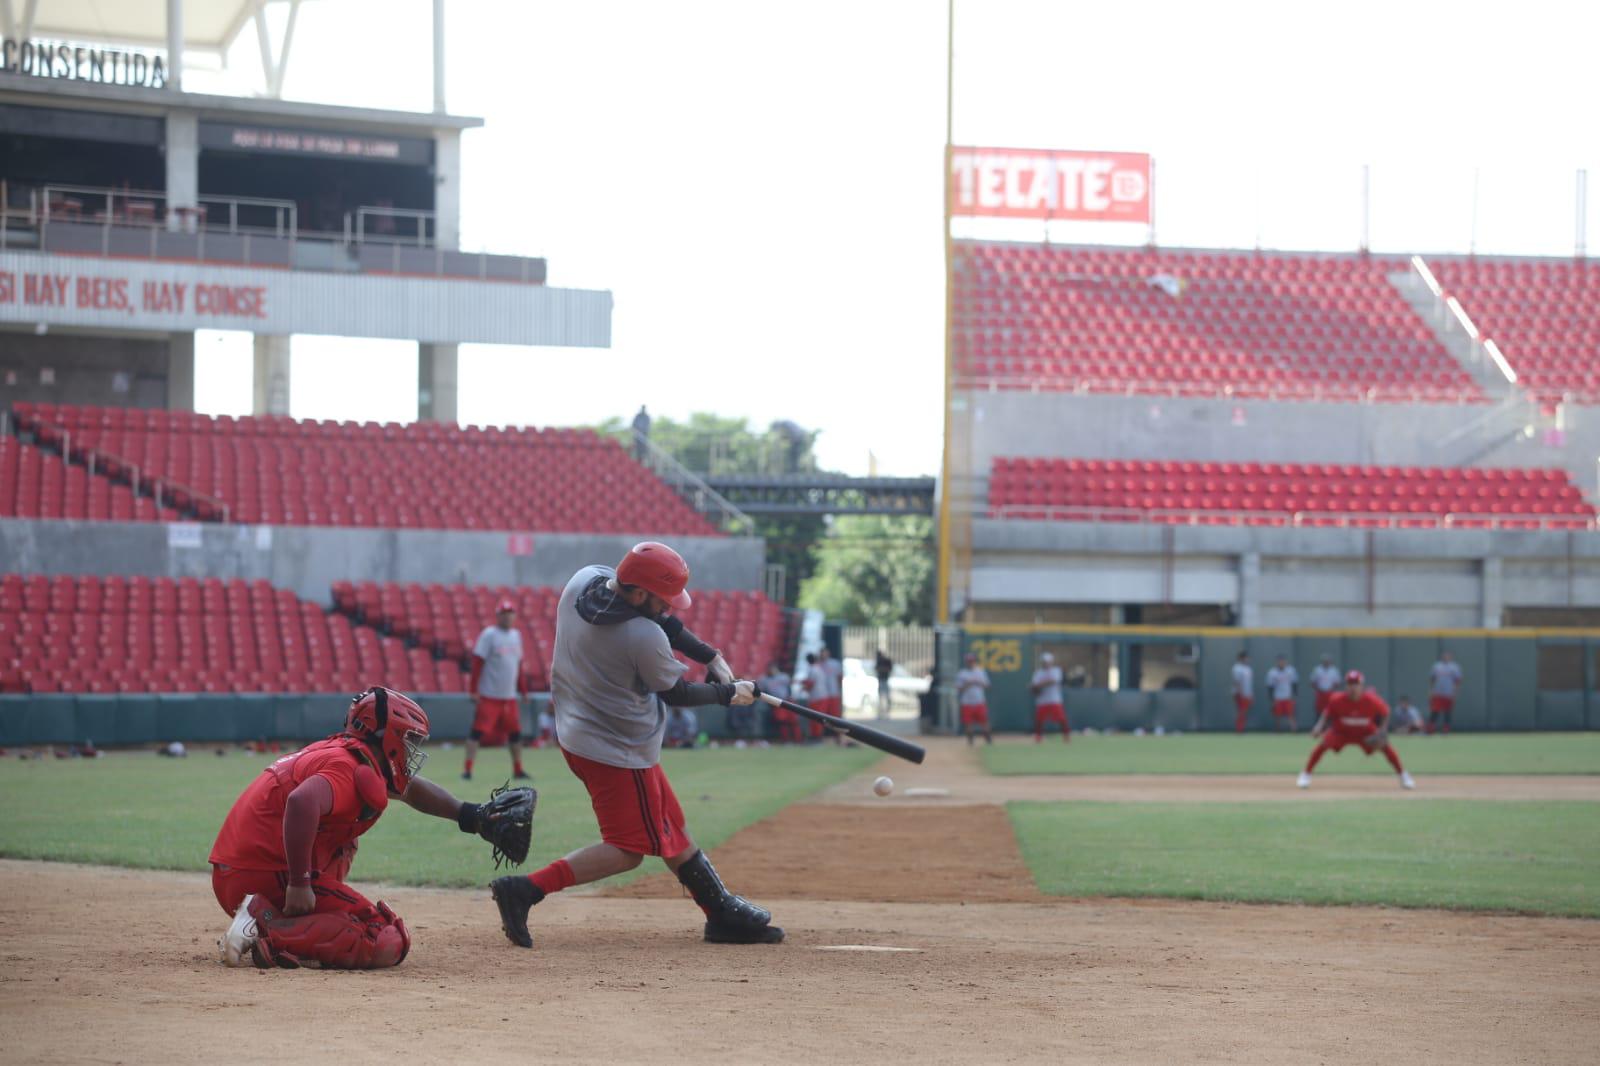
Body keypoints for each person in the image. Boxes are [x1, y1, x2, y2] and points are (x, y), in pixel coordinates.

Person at [489, 541, 782, 948]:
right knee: (628, 848)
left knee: (669, 823)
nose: (670, 610)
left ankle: (719, 910)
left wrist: (708, 654)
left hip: (580, 733)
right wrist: (730, 693)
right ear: (641, 594)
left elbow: (660, 621)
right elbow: (677, 695)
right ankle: (525, 889)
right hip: (618, 750)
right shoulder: (640, 635)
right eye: (664, 601)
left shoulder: (583, 582)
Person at [212, 686, 500, 969]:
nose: (409, 748)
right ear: (386, 736)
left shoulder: (348, 753)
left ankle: (282, 924)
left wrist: (469, 815)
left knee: (345, 844)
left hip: (239, 870)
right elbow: (301, 802)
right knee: (385, 938)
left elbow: (409, 789)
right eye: (407, 738)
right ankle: (268, 926)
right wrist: (299, 883)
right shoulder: (347, 766)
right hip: (262, 873)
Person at [1297, 670, 1415, 790]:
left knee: (1385, 746)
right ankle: (1306, 774)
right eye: (1350, 683)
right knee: (1323, 745)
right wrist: (1319, 726)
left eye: (1356, 684)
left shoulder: (1371, 700)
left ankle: (1403, 775)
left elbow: (1386, 712)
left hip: (1365, 732)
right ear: (1346, 686)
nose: (1353, 687)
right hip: (1341, 732)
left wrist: (1382, 730)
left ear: (1361, 686)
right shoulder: (1336, 700)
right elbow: (1327, 713)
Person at [463, 598, 528, 782]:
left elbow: (518, 666)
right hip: (490, 696)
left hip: (509, 697)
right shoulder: (489, 635)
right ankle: (467, 770)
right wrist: (473, 690)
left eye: (510, 614)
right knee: (476, 733)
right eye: (504, 614)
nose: (507, 617)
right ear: (498, 616)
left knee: (515, 734)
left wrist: (523, 691)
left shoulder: (516, 635)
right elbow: (477, 663)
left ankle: (518, 769)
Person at [807, 645, 844, 743]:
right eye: (821, 653)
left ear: (828, 653)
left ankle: (838, 737)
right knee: (821, 718)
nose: (823, 654)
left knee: (835, 718)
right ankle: (820, 738)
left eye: (825, 652)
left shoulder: (834, 664)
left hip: (833, 693)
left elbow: (839, 678)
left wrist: (839, 691)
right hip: (823, 694)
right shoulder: (818, 665)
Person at [955, 652, 992, 746]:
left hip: (979, 701)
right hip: (967, 702)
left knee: (984, 723)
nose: (970, 662)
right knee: (968, 724)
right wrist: (968, 683)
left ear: (974, 661)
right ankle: (970, 743)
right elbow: (959, 688)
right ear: (966, 662)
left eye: (972, 661)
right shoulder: (962, 673)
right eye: (968, 661)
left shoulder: (980, 672)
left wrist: (978, 682)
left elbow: (987, 685)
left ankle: (989, 741)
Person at [1030, 651, 1067, 743]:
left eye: (1048, 661)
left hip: (1054, 699)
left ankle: (1066, 737)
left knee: (1061, 719)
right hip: (1042, 700)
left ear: (1051, 661)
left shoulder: (1056, 670)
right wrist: (1035, 688)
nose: (1046, 663)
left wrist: (1039, 684)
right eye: (1044, 661)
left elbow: (1053, 681)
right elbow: (1034, 687)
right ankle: (1038, 737)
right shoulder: (1038, 673)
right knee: (1039, 720)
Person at [1427, 650, 1464, 735]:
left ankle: (1446, 729)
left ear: (1451, 657)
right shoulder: (1437, 666)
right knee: (1435, 711)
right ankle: (1430, 729)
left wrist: (1455, 691)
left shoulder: (1454, 667)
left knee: (1447, 712)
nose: (1446, 657)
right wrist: (1430, 690)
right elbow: (1432, 679)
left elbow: (1458, 680)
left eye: (1448, 656)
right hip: (1437, 692)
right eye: (1444, 656)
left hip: (1448, 693)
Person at [757, 661, 794, 741]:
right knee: (782, 722)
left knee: (793, 721)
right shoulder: (765, 679)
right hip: (776, 702)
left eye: (773, 669)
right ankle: (785, 740)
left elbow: (789, 689)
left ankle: (797, 740)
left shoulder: (784, 676)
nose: (771, 670)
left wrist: (790, 698)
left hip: (787, 700)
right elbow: (761, 690)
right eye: (770, 669)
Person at [1265, 654, 1299, 732]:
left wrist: (1294, 695)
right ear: (1277, 662)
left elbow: (1294, 683)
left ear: (1286, 662)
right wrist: (1271, 699)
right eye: (1280, 661)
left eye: (1283, 661)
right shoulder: (1272, 672)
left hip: (1288, 696)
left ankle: (1294, 730)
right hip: (1278, 697)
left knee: (1291, 714)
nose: (1281, 663)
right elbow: (1270, 687)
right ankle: (1278, 730)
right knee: (1277, 715)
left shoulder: (1291, 671)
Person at [1310, 654, 1341, 718]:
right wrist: (1318, 689)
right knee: (1319, 710)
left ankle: (1330, 725)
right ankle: (1319, 725)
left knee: (1330, 708)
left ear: (1330, 662)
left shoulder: (1334, 670)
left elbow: (1337, 682)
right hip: (1320, 692)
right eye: (1325, 661)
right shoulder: (1317, 670)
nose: (1326, 662)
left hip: (1330, 693)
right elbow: (1313, 682)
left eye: (1328, 661)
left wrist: (1331, 689)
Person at [1231, 651, 1253, 733]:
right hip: (1240, 694)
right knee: (1241, 711)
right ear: (1241, 658)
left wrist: (1250, 694)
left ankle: (1242, 728)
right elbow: (1237, 682)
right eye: (1245, 658)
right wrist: (1240, 693)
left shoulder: (1248, 668)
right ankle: (1239, 729)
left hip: (1247, 694)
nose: (1247, 659)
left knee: (1244, 711)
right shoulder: (1237, 668)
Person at [874, 649, 894, 715]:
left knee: (886, 696)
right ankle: (881, 710)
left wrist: (882, 669)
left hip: (885, 680)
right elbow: (876, 669)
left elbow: (889, 669)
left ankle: (887, 710)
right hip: (880, 680)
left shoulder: (886, 661)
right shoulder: (878, 661)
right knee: (881, 696)